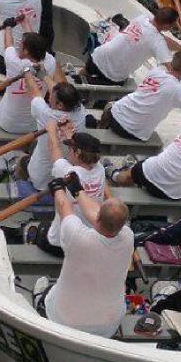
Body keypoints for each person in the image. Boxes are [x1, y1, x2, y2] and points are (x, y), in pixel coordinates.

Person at [40, 174, 134, 338]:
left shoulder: (78, 237)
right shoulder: (128, 236)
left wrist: (58, 189)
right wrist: (78, 190)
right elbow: (98, 215)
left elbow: (64, 206)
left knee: (46, 293)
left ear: (99, 216)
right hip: (108, 326)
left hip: (64, 322)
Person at [35, 120, 112, 257]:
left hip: (60, 244)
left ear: (77, 153)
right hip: (88, 241)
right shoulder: (99, 169)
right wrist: (68, 134)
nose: (68, 151)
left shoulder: (67, 171)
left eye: (70, 149)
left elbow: (54, 150)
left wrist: (52, 131)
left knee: (42, 227)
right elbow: (86, 152)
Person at [99, 50, 181, 141]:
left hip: (114, 114)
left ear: (171, 64)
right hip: (131, 131)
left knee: (113, 104)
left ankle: (100, 125)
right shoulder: (179, 90)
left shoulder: (156, 72)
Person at [84, 7, 181, 86]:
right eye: (173, 25)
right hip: (113, 74)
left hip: (98, 55)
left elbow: (163, 39)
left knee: (84, 73)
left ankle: (80, 75)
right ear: (167, 26)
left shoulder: (143, 18)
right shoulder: (158, 42)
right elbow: (174, 70)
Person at [21, 69, 88, 193]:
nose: (49, 96)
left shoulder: (45, 113)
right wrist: (45, 76)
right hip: (66, 177)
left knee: (21, 161)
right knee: (35, 144)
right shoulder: (81, 111)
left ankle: (19, 180)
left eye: (51, 96)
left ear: (60, 105)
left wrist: (27, 72)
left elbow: (35, 92)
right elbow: (59, 92)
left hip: (40, 178)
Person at [0, 33, 55, 133]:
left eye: (21, 44)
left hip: (7, 124)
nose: (18, 46)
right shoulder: (51, 62)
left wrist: (8, 26)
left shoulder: (13, 61)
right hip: (33, 126)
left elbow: (8, 44)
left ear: (26, 51)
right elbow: (38, 46)